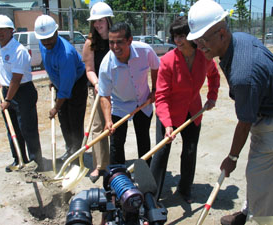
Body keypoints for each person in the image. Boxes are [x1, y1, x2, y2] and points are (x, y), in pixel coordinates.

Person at [187, 0, 273, 223]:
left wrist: (232, 157)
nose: (199, 45)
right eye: (196, 40)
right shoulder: (235, 42)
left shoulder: (244, 73)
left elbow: (244, 122)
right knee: (258, 174)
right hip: (262, 111)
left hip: (270, 121)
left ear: (222, 34)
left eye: (203, 39)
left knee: (259, 175)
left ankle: (260, 220)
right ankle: (247, 211)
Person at [150, 16, 220, 204]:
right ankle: (152, 195)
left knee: (190, 151)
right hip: (169, 114)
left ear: (191, 36)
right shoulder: (167, 61)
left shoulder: (203, 57)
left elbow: (214, 75)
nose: (178, 41)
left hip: (193, 112)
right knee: (161, 152)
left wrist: (212, 96)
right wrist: (166, 124)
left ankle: (185, 188)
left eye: (182, 36)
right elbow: (161, 96)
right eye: (175, 36)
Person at [99, 22, 160, 166]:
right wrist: (108, 121)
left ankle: (146, 173)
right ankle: (118, 177)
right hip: (119, 105)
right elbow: (104, 96)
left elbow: (156, 67)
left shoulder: (145, 51)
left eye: (119, 42)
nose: (115, 47)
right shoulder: (106, 65)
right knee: (116, 143)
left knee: (144, 139)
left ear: (129, 40)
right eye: (111, 42)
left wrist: (155, 89)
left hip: (142, 102)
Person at [0, 15, 43, 172]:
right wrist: (1, 82)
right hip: (7, 90)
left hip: (23, 92)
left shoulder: (18, 51)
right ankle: (19, 158)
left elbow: (16, 78)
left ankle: (36, 161)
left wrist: (8, 99)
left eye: (2, 29)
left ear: (10, 31)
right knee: (12, 129)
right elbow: (3, 72)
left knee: (27, 128)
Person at [34, 15, 88, 162]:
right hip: (63, 82)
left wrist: (55, 108)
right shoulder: (43, 44)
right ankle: (69, 150)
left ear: (56, 33)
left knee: (74, 120)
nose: (46, 42)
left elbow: (65, 90)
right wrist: (54, 80)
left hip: (76, 84)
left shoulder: (66, 54)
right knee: (64, 120)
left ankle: (76, 155)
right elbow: (49, 63)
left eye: (49, 38)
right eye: (43, 39)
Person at [82, 2, 113, 183]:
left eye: (101, 20)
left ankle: (115, 163)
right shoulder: (90, 42)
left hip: (116, 89)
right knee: (97, 126)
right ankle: (99, 165)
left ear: (108, 20)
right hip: (98, 89)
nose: (97, 24)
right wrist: (97, 83)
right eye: (95, 21)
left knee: (114, 125)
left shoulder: (117, 37)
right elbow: (89, 69)